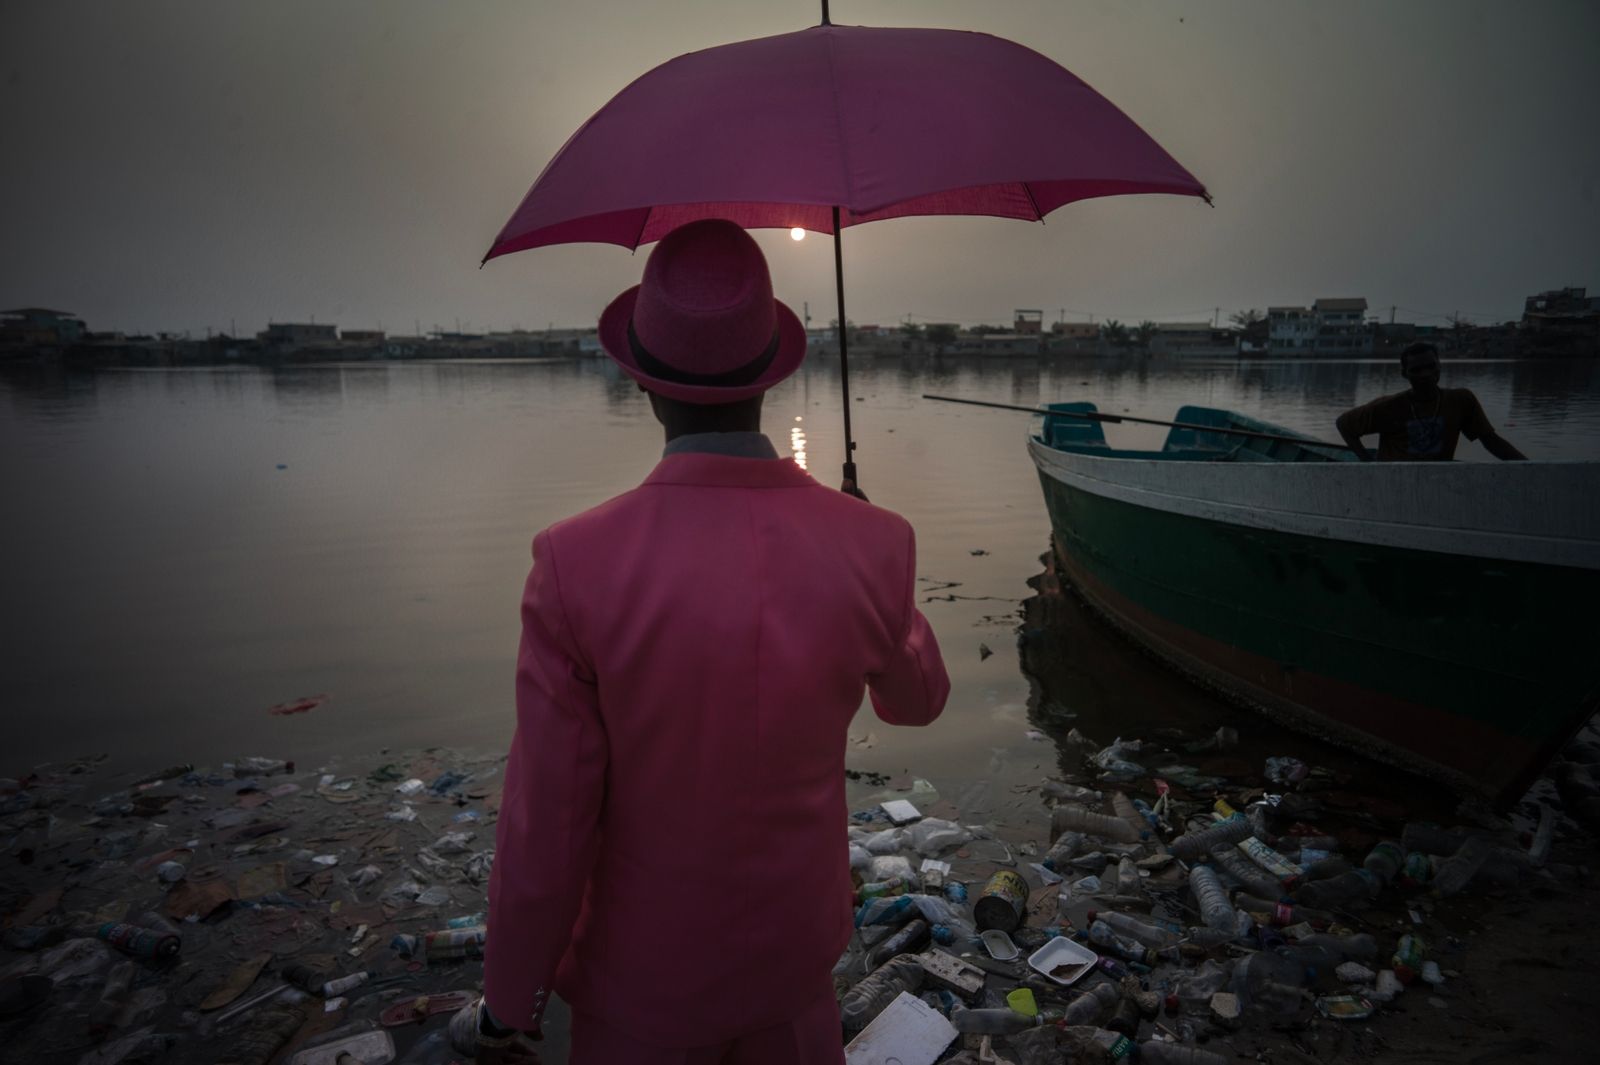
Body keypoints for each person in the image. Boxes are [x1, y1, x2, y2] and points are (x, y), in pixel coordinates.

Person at [452, 218, 951, 1064]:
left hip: (637, 989)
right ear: (769, 376)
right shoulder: (872, 542)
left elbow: (550, 821)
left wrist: (511, 1001)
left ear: (644, 385)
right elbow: (916, 703)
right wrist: (876, 562)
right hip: (795, 968)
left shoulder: (574, 562)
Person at [1335, 342, 1526, 462]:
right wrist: (1369, 465)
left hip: (1437, 481)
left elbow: (1491, 441)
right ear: (1404, 374)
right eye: (1416, 370)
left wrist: (1528, 467)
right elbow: (1344, 424)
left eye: (1430, 367)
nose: (1425, 374)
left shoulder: (1461, 401)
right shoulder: (1389, 407)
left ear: (1439, 367)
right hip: (1393, 482)